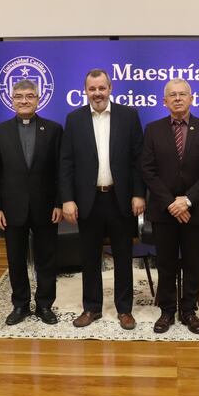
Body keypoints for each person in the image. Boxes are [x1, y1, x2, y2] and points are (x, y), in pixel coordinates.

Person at [59, 69, 145, 330]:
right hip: (88, 200)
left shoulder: (129, 116)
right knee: (89, 257)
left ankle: (124, 310)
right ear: (85, 90)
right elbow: (66, 163)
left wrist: (139, 194)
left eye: (101, 88)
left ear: (110, 88)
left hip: (119, 199)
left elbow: (137, 160)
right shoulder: (74, 120)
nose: (97, 93)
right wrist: (68, 199)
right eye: (92, 89)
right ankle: (92, 307)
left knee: (122, 255)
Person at [141, 79, 199, 334]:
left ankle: (188, 310)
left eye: (182, 94)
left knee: (192, 264)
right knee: (165, 263)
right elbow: (147, 169)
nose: (177, 98)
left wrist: (187, 200)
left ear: (192, 98)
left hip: (195, 210)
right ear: (164, 101)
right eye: (172, 95)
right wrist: (171, 202)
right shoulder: (153, 129)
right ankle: (167, 311)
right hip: (164, 211)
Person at [0, 79, 63, 326]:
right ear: (11, 100)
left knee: (47, 259)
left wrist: (59, 202)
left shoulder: (53, 129)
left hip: (46, 207)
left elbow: (62, 170)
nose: (24, 100)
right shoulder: (0, 131)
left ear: (38, 99)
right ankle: (20, 305)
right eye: (19, 96)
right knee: (16, 259)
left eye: (30, 96)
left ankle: (44, 305)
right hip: (11, 209)